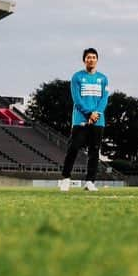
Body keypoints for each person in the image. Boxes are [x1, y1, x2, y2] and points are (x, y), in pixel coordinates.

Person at [59, 48, 109, 192]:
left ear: (97, 60)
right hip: (80, 119)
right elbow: (77, 99)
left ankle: (90, 182)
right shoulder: (77, 77)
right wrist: (89, 114)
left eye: (93, 57)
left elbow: (104, 99)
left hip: (98, 120)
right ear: (84, 60)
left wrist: (96, 113)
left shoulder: (103, 78)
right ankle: (66, 178)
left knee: (94, 151)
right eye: (88, 57)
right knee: (73, 148)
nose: (91, 59)